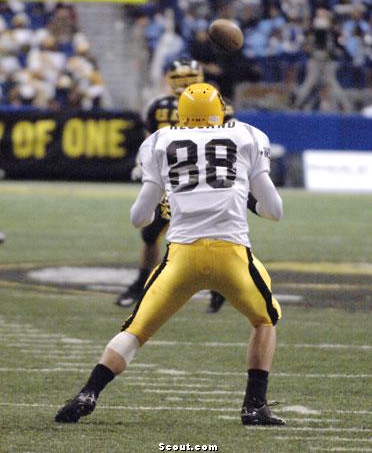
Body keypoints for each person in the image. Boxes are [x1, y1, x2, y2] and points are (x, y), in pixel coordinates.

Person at [55, 82, 285, 426]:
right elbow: (275, 211)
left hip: (181, 257)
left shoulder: (160, 142)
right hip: (231, 254)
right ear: (219, 111)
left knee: (135, 331)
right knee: (265, 320)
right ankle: (254, 405)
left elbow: (139, 218)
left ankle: (88, 393)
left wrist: (163, 205)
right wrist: (243, 197)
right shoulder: (248, 136)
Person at [116, 58, 224, 314]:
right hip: (169, 180)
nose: (185, 84)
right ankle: (143, 282)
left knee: (210, 234)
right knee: (153, 233)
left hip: (201, 178)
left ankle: (221, 285)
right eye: (181, 78)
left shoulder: (213, 102)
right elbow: (151, 140)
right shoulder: (159, 106)